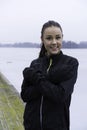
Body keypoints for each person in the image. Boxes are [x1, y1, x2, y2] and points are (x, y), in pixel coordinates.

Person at [21, 20, 79, 130]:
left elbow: (59, 95)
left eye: (57, 37)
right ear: (42, 39)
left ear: (62, 37)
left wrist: (36, 78)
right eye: (49, 38)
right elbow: (25, 95)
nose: (54, 42)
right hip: (31, 126)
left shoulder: (70, 63)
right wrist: (50, 80)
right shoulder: (35, 63)